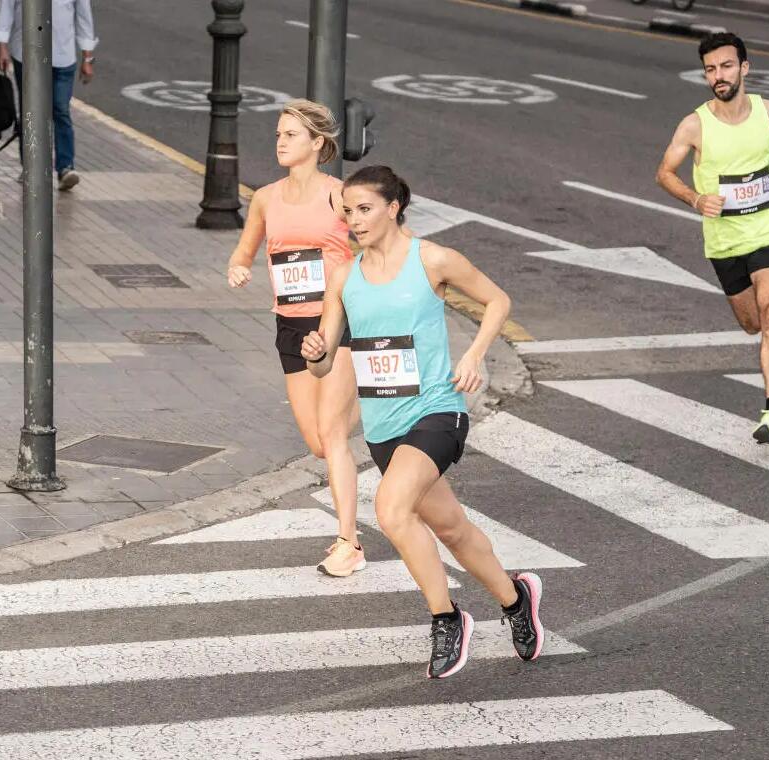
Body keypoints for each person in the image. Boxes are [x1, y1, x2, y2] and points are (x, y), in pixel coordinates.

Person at [300, 165, 545, 679]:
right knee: (452, 529)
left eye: (364, 209)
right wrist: (317, 353)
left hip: (438, 410)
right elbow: (322, 363)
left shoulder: (431, 260)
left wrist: (476, 354)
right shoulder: (344, 276)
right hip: (385, 427)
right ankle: (515, 598)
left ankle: (446, 617)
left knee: (390, 509)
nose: (354, 220)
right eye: (347, 212)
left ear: (393, 208)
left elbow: (498, 300)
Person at [656, 32, 769, 447]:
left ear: (744, 68)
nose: (719, 75)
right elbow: (664, 172)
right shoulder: (695, 124)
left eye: (727, 66)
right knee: (752, 323)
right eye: (711, 69)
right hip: (725, 243)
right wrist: (695, 198)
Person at [225, 100, 366, 576]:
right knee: (319, 443)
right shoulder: (265, 197)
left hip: (338, 319)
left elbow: (372, 248)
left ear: (317, 144)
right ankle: (377, 406)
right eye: (278, 134)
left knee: (332, 432)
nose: (280, 142)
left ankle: (350, 541)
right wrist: (240, 269)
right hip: (290, 324)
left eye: (290, 135)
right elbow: (244, 252)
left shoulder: (338, 195)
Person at [0, 0, 97, 191]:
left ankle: (65, 168)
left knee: (60, 109)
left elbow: (83, 16)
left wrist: (87, 58)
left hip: (63, 57)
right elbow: (6, 7)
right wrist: (2, 46)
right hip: (27, 54)